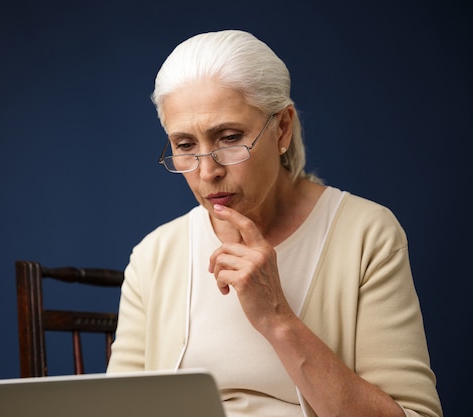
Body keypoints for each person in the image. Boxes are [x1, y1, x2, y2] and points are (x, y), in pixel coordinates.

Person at [106, 30, 442, 417]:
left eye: (229, 137)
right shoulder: (154, 255)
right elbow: (121, 406)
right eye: (184, 146)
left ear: (282, 127)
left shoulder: (366, 234)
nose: (207, 171)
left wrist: (277, 319)